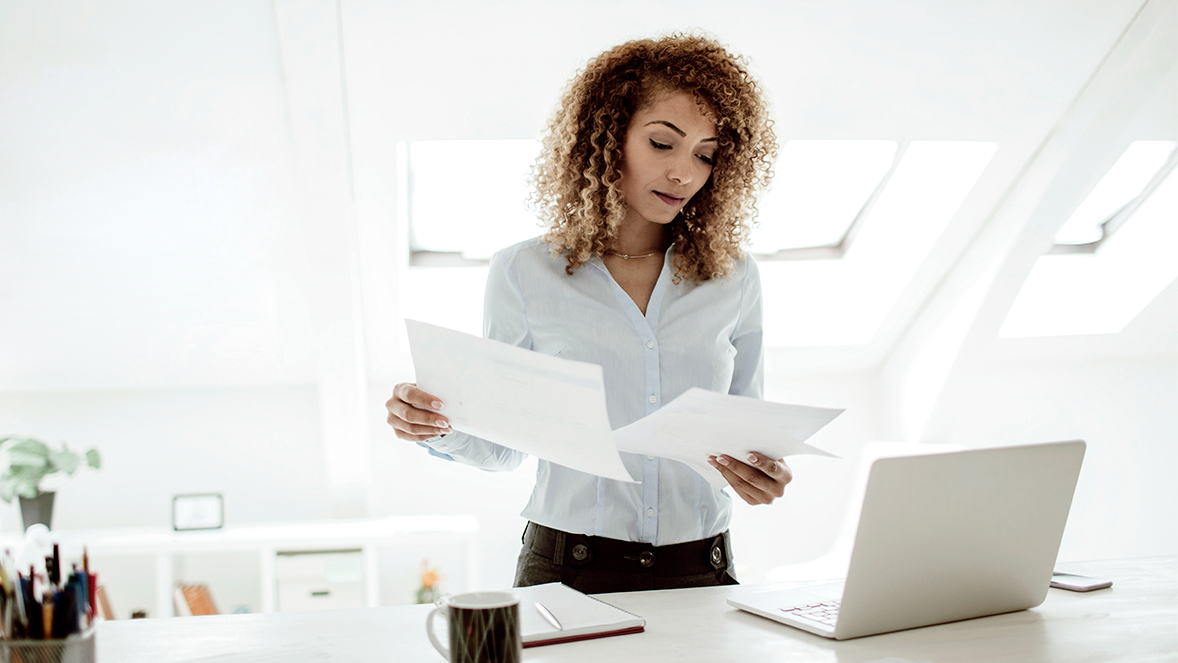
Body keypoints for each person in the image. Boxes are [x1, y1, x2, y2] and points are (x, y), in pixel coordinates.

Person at [386, 33, 783, 594]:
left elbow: (748, 431)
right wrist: (433, 425)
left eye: (705, 154)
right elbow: (503, 446)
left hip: (702, 568)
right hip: (570, 570)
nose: (684, 174)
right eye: (662, 143)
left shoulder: (733, 278)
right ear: (607, 135)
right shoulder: (525, 273)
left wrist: (763, 473)